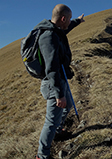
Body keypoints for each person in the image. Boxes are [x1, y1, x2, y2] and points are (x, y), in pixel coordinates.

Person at [35, 4, 83, 159]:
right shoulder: (48, 37)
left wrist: (77, 21)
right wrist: (58, 94)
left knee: (68, 104)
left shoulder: (56, 31)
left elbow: (66, 29)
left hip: (59, 80)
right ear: (63, 18)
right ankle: (42, 155)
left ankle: (57, 131)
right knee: (50, 121)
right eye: (68, 19)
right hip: (53, 84)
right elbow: (52, 69)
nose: (69, 22)